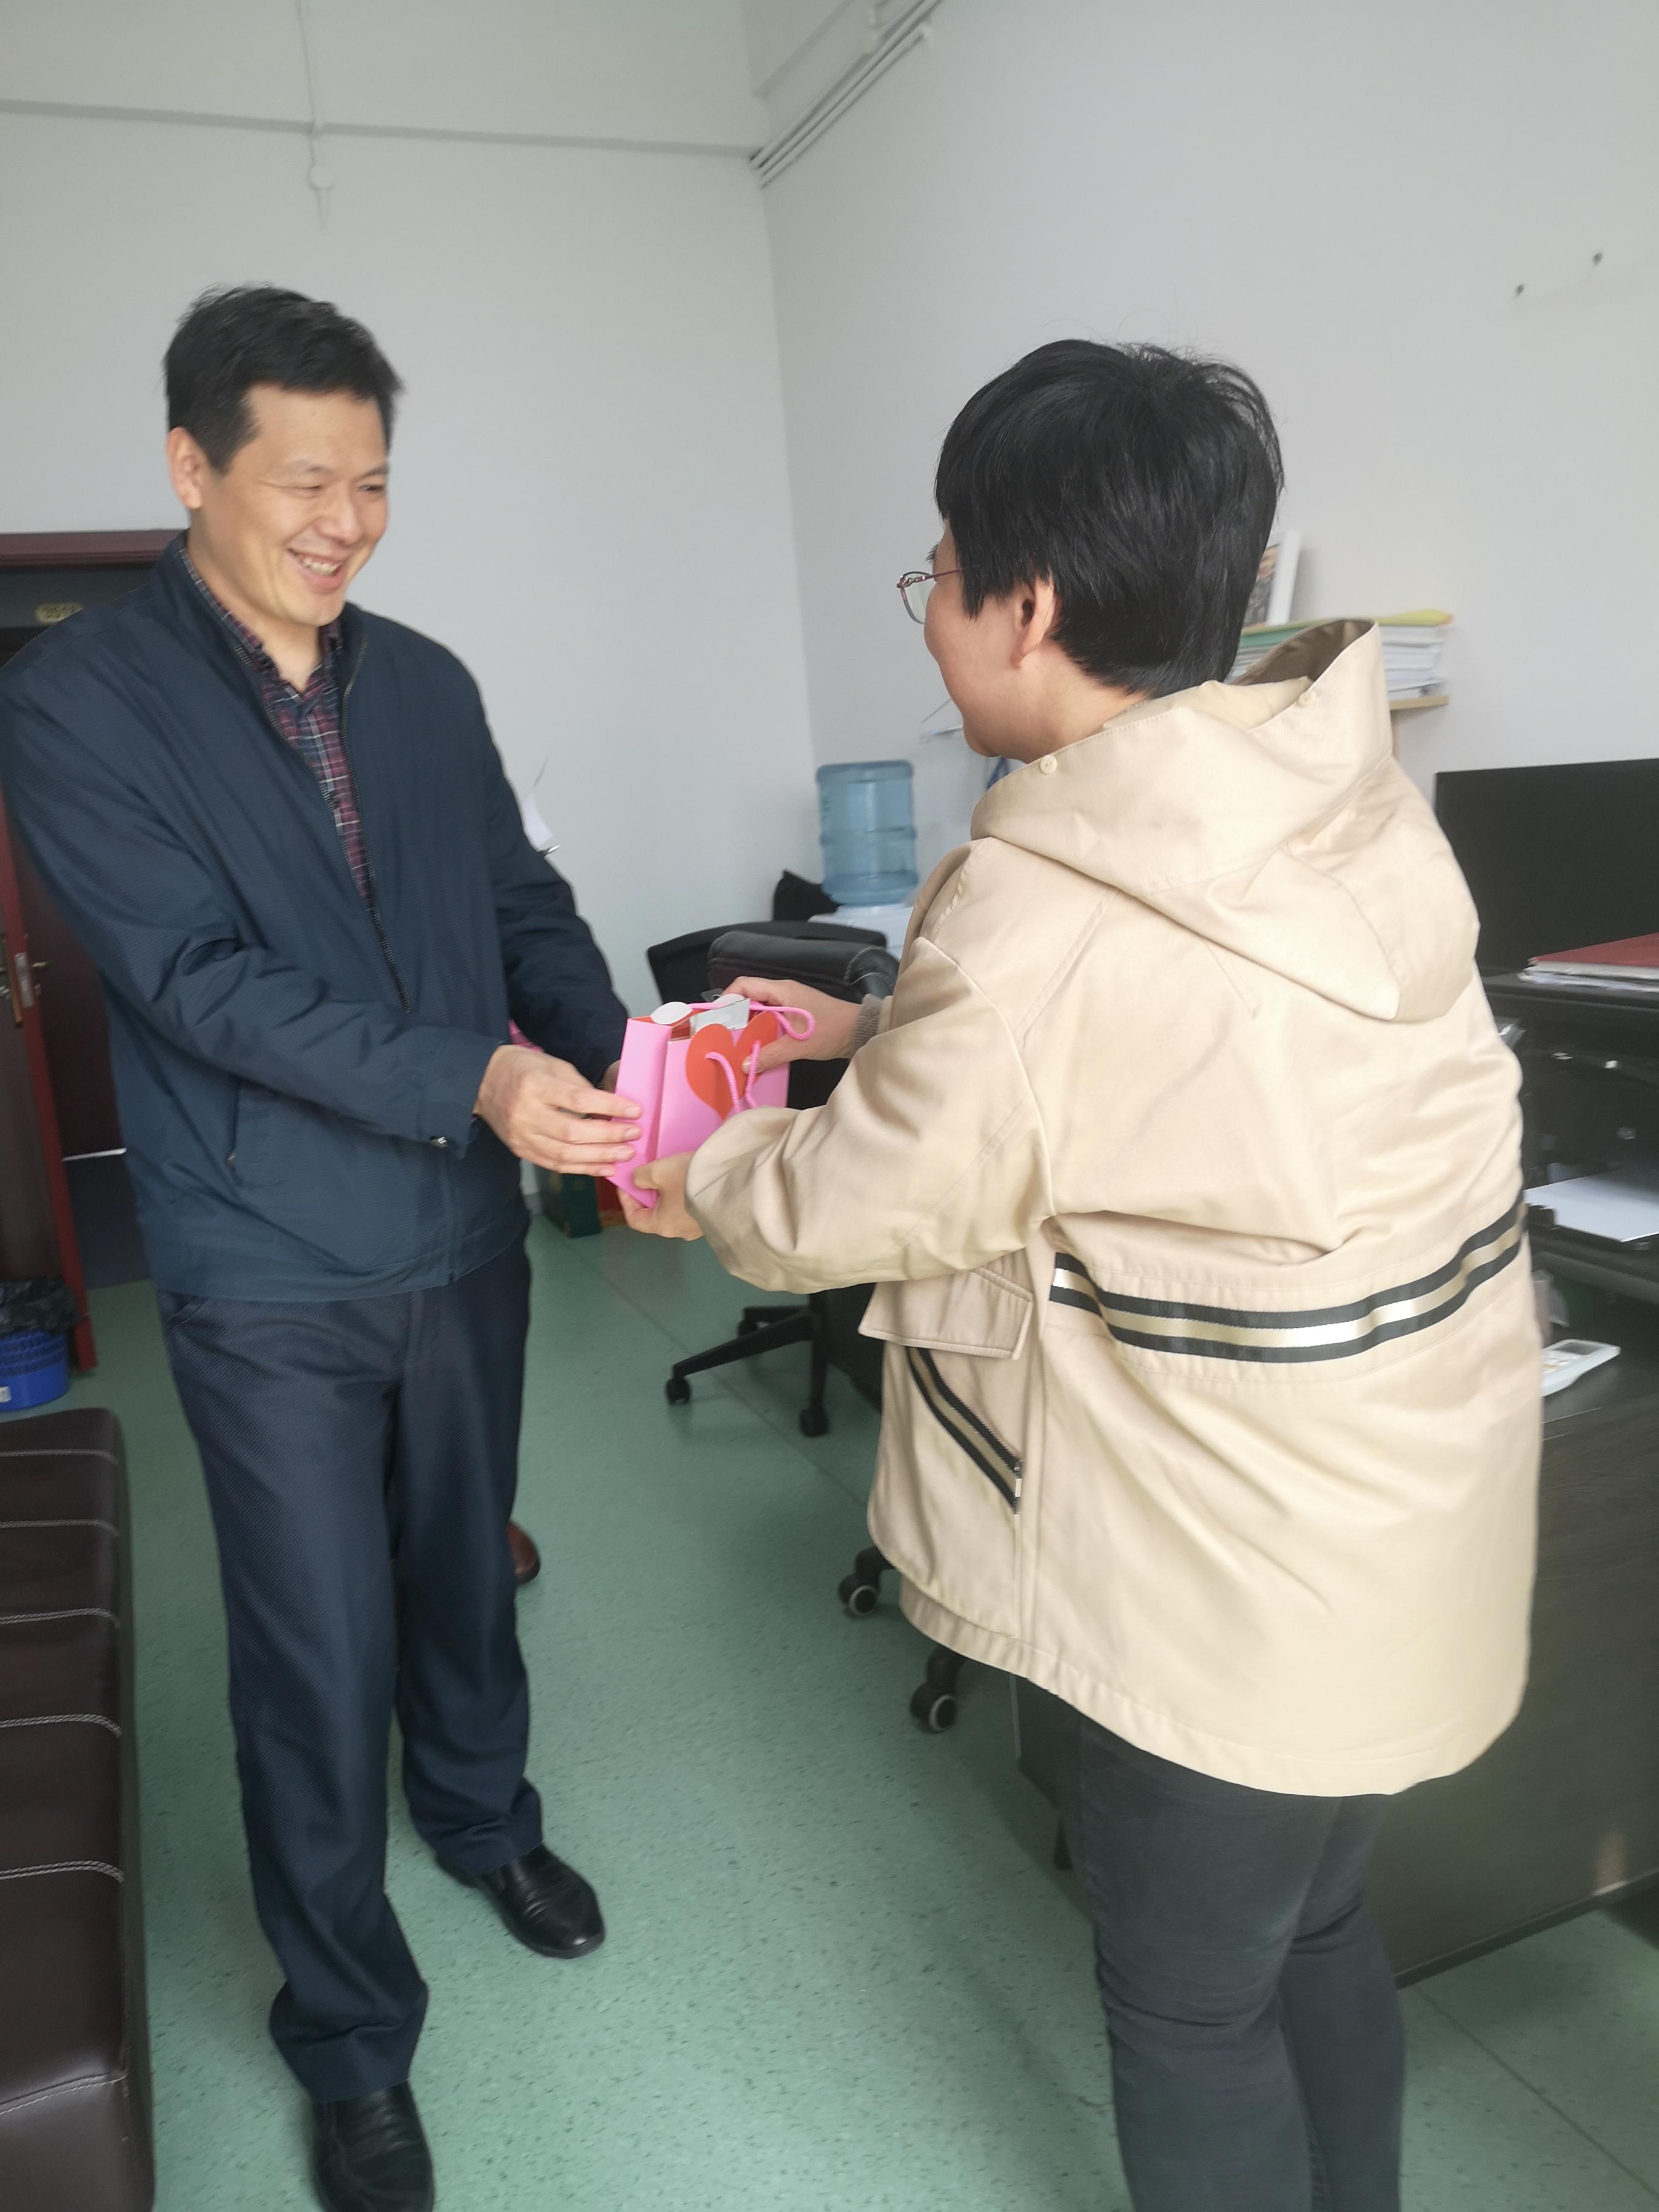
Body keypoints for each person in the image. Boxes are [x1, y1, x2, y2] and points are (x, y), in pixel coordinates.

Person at [626, 340, 1541, 2210]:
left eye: (944, 572)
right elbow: (1170, 1080)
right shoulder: (1340, 810)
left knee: (1191, 2011)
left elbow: (843, 1209)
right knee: (1320, 1931)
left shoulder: (1038, 917)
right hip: (1399, 1532)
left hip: (1214, 1581)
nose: (935, 612)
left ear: (1027, 607)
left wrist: (693, 1171)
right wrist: (881, 1017)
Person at [0, 286, 645, 2212]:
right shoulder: (78, 704)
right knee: (313, 1648)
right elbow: (197, 984)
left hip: (457, 1232)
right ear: (190, 467)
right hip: (266, 1261)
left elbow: (524, 903)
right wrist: (479, 1077)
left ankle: (485, 1820)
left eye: (370, 483)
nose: (343, 521)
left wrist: (638, 1079)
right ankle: (352, 2034)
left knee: (463, 1570)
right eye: (303, 481)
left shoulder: (426, 684)